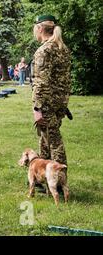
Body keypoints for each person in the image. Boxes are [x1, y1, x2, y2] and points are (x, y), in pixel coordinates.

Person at [32, 15, 71, 166]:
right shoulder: (62, 48)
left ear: (40, 29)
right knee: (45, 138)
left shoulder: (44, 50)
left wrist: (37, 108)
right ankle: (43, 176)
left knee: (54, 141)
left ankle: (60, 180)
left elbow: (41, 82)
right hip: (60, 101)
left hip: (47, 102)